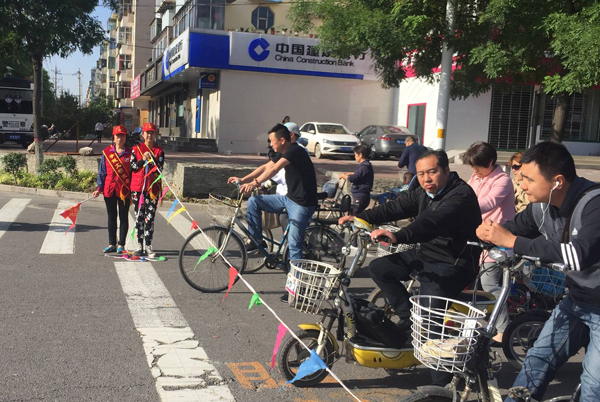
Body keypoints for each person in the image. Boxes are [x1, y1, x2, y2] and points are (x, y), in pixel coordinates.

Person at [339, 150, 482, 385]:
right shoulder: (424, 192)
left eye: (432, 172)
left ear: (446, 171)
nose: (426, 178)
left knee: (430, 318)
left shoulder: (460, 195)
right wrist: (361, 217)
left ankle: (441, 385)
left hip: (453, 264)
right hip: (425, 254)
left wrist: (399, 235)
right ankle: (408, 319)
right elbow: (397, 207)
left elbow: (431, 221)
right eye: (421, 174)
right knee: (380, 268)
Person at [476, 142, 600, 402]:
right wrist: (488, 233)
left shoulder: (594, 204)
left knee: (593, 383)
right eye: (521, 178)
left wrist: (512, 242)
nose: (521, 185)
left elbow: (579, 255)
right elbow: (514, 229)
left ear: (557, 181)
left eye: (529, 179)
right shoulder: (540, 206)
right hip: (577, 299)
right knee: (537, 359)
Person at [227, 124, 318, 301]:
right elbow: (267, 167)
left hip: (302, 204)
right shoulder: (283, 152)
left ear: (282, 140)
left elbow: (274, 170)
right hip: (288, 198)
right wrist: (244, 179)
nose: (270, 145)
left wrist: (254, 184)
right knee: (254, 201)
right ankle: (256, 240)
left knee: (294, 245)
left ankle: (296, 291)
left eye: (272, 141)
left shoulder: (295, 151)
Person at [463, 141, 515, 344]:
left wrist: (459, 208)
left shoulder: (502, 180)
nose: (474, 170)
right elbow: (465, 194)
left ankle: (504, 329)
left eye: (477, 166)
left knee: (489, 283)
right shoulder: (475, 178)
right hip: (478, 237)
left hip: (497, 241)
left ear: (491, 161)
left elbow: (489, 203)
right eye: (472, 166)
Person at [92, 125, 132, 253]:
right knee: (111, 216)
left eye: (122, 135)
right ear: (114, 137)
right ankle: (112, 243)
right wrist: (99, 188)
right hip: (109, 189)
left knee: (123, 216)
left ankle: (121, 244)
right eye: (117, 136)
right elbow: (102, 171)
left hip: (124, 190)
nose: (120, 138)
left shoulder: (131, 153)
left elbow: (134, 172)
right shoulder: (107, 153)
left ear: (125, 137)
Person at [130, 122, 165, 258]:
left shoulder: (159, 151)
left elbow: (159, 169)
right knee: (139, 217)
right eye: (147, 133)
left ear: (155, 135)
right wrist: (142, 160)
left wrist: (152, 159)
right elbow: (133, 166)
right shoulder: (136, 149)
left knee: (150, 218)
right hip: (138, 189)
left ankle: (148, 245)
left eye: (152, 133)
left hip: (152, 190)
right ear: (143, 135)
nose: (150, 135)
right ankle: (139, 245)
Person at [339, 144, 374, 215]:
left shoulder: (364, 166)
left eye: (355, 155)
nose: (355, 157)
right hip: (359, 195)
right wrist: (351, 173)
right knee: (353, 213)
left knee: (355, 215)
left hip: (361, 195)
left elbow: (353, 179)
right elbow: (360, 175)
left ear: (360, 155)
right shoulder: (366, 165)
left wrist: (343, 176)